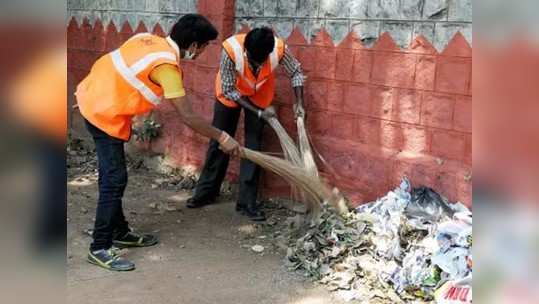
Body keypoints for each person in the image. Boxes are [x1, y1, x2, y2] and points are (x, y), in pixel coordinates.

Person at [75, 14, 241, 271]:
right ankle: (99, 247)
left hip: (94, 100)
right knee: (114, 180)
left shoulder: (147, 39)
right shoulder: (167, 68)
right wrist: (222, 136)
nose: (203, 52)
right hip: (102, 114)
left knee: (113, 176)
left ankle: (120, 231)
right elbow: (188, 116)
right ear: (195, 45)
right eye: (205, 46)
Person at [186, 27, 306, 221]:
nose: (257, 64)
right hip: (230, 94)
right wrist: (259, 112)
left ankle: (246, 203)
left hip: (260, 95)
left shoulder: (279, 48)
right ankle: (206, 192)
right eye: (253, 59)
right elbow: (229, 89)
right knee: (220, 141)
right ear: (246, 50)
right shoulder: (230, 49)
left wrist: (299, 102)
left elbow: (297, 72)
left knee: (254, 147)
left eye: (262, 60)